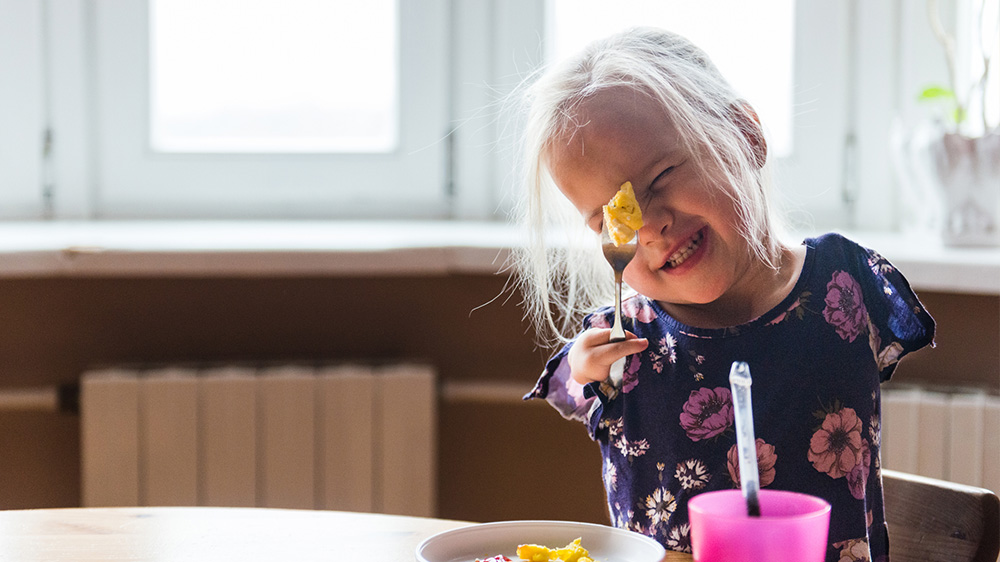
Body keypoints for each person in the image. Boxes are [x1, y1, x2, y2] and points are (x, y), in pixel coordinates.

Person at [511, 27, 935, 561]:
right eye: (611, 218)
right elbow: (580, 382)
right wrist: (585, 367)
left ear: (746, 135)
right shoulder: (624, 340)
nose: (649, 227)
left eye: (662, 175)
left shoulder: (845, 285)